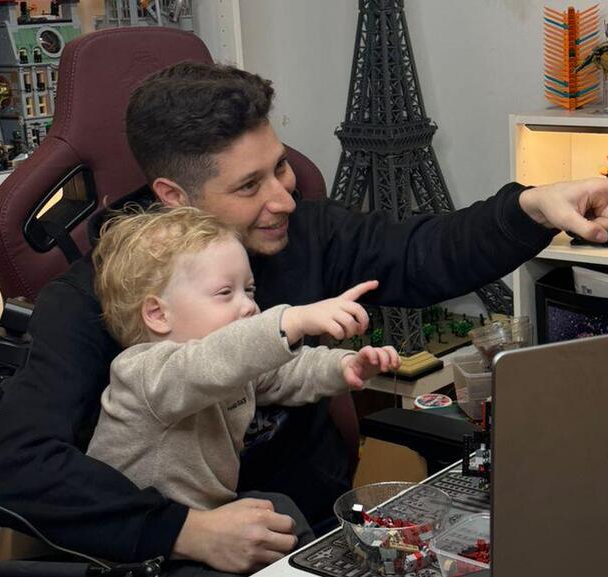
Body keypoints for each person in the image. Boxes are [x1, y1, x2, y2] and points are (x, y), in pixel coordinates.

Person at [0, 61, 608, 572]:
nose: (284, 198)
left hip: (308, 528)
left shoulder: (306, 233)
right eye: (248, 186)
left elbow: (423, 250)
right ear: (175, 195)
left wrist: (532, 206)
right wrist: (182, 529)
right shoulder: (94, 299)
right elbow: (16, 470)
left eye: (280, 168)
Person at [85, 206, 399, 552]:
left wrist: (344, 366)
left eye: (249, 290)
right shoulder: (143, 373)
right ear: (158, 315)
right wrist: (290, 321)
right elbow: (211, 362)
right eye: (225, 293)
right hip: (141, 544)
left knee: (279, 511)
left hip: (209, 516)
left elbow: (284, 372)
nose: (249, 306)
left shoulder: (229, 367)